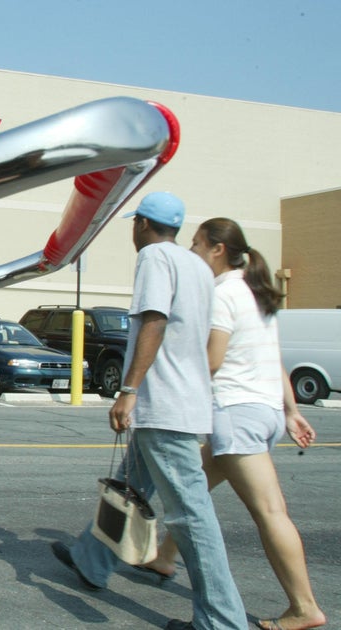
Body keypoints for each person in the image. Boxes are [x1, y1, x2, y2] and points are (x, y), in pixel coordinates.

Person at [50, 192, 248, 630]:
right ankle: (92, 560)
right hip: (182, 401)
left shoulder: (155, 258)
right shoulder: (195, 265)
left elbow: (155, 320)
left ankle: (221, 621)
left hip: (164, 406)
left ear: (141, 224)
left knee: (192, 517)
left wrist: (128, 389)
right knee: (128, 485)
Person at [139, 217, 326, 630]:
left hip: (237, 416)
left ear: (217, 249)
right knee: (192, 493)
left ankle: (304, 607)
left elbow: (212, 361)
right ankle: (164, 557)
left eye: (196, 244)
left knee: (271, 513)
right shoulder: (256, 294)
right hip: (263, 413)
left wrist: (170, 388)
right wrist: (291, 411)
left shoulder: (223, 293)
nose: (192, 252)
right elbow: (273, 359)